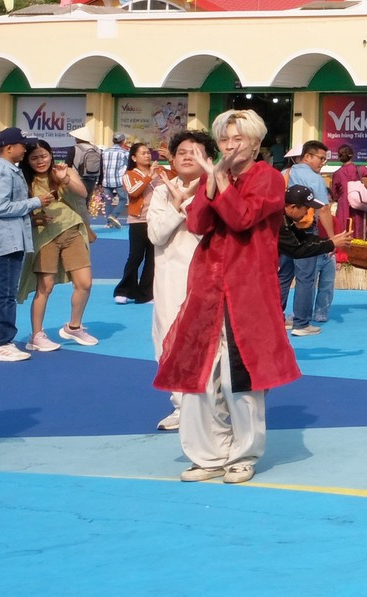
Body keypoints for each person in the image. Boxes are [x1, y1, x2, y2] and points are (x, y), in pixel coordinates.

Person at [156, 108, 301, 485]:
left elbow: (241, 218)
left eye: (239, 138)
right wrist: (212, 180)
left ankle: (243, 453)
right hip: (206, 286)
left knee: (242, 374)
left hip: (248, 288)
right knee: (200, 373)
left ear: (256, 143)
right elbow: (198, 223)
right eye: (225, 139)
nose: (231, 146)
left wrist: (217, 177)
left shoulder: (267, 178)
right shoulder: (215, 176)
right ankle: (208, 453)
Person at [149, 130, 214, 432]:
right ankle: (181, 405)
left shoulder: (215, 190)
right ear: (172, 159)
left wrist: (189, 204)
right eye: (182, 152)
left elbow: (208, 234)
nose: (187, 156)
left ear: (208, 160)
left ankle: (209, 404)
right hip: (169, 276)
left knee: (206, 341)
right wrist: (178, 205)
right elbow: (156, 234)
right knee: (167, 338)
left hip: (207, 276)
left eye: (195, 152)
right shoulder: (162, 191)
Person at [20, 138, 98, 351]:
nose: (40, 161)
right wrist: (33, 220)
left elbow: (83, 193)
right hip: (45, 237)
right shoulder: (24, 180)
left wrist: (65, 179)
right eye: (34, 157)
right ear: (27, 160)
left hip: (72, 231)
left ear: (51, 154)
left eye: (44, 155)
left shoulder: (63, 171)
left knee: (85, 283)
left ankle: (74, 326)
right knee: (45, 287)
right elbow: (18, 208)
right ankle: (36, 335)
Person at [0, 127, 39, 361]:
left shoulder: (8, 170)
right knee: (5, 293)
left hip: (8, 238)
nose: (25, 149)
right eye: (22, 145)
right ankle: (2, 341)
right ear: (9, 148)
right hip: (6, 240)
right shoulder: (3, 173)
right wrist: (34, 202)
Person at [280, 141, 337, 336]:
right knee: (305, 277)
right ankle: (301, 323)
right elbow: (324, 208)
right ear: (307, 157)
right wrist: (331, 239)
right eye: (321, 158)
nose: (323, 163)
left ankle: (277, 318)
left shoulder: (283, 174)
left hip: (284, 228)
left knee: (284, 274)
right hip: (305, 228)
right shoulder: (315, 179)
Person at [114, 142, 160, 304]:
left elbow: (176, 177)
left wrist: (169, 157)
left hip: (157, 219)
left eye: (148, 153)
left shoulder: (159, 171)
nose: (147, 155)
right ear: (134, 157)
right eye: (143, 153)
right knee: (135, 256)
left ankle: (145, 294)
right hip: (139, 220)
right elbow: (134, 191)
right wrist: (149, 176)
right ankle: (124, 290)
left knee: (153, 258)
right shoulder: (130, 174)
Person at [330, 145, 367, 246]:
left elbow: (334, 195)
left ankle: (344, 255)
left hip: (343, 206)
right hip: (359, 204)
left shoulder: (337, 173)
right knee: (360, 231)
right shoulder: (361, 169)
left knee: (343, 231)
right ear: (352, 155)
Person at [101, 133, 132, 229]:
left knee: (108, 201)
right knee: (123, 199)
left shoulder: (105, 152)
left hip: (106, 180)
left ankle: (109, 223)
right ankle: (113, 216)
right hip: (119, 180)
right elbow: (129, 165)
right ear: (123, 141)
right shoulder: (125, 153)